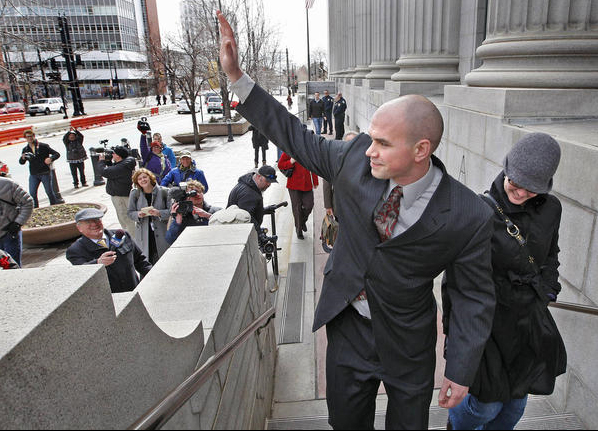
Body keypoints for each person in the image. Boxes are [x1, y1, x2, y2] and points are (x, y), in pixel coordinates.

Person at [217, 11, 496, 429]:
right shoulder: (353, 159)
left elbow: (474, 296)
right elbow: (293, 133)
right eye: (371, 138)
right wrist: (237, 77)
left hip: (409, 342)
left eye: (383, 143)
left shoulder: (469, 215)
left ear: (421, 150)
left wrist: (460, 367)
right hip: (347, 329)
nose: (370, 150)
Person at [443, 133, 567, 430]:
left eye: (532, 188)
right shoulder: (478, 211)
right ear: (506, 168)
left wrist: (548, 289)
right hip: (487, 326)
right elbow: (455, 282)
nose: (521, 192)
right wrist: (454, 337)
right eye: (515, 182)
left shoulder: (552, 209)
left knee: (515, 407)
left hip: (528, 323)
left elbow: (551, 254)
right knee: (485, 406)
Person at [66, 208, 152, 293]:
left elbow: (140, 261)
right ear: (79, 228)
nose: (94, 224)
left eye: (96, 219)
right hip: (108, 299)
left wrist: (154, 275)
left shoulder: (121, 235)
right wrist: (98, 263)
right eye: (88, 222)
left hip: (134, 292)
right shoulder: (75, 250)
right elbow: (81, 274)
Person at [127, 168, 171, 265]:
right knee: (147, 261)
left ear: (150, 177)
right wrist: (138, 214)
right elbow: (130, 212)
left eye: (144, 177)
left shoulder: (164, 191)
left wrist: (159, 213)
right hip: (144, 234)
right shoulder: (135, 193)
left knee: (164, 260)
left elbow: (172, 212)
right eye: (139, 179)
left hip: (162, 232)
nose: (143, 180)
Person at [278, 152, 318, 239]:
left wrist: (315, 181)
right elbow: (280, 165)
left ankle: (302, 221)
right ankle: (298, 230)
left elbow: (313, 167)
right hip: (293, 185)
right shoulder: (289, 149)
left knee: (309, 205)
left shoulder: (309, 149)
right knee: (297, 208)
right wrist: (291, 162)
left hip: (307, 184)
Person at [98, 145, 137, 235]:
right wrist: (109, 162)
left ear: (119, 156)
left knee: (125, 218)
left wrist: (101, 162)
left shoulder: (122, 166)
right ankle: (131, 235)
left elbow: (105, 172)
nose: (112, 155)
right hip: (123, 194)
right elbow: (114, 170)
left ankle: (132, 239)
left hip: (121, 196)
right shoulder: (126, 162)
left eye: (113, 153)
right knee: (125, 218)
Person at [227, 165, 278, 231]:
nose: (269, 184)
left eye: (270, 182)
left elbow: (249, 209)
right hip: (239, 231)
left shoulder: (250, 184)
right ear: (258, 176)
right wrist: (259, 233)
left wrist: (262, 210)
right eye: (267, 181)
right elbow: (247, 218)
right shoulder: (248, 193)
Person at [18, 129, 61, 208]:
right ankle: (36, 209)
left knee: (49, 192)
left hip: (45, 173)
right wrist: (23, 158)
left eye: (31, 136)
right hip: (34, 174)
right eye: (28, 137)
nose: (30, 138)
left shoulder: (43, 146)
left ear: (34, 136)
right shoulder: (25, 149)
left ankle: (54, 206)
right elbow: (21, 162)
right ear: (25, 138)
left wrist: (51, 159)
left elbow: (57, 154)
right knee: (32, 193)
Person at [322, 131, 358, 220]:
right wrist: (328, 206)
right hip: (339, 207)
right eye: (348, 143)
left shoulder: (364, 160)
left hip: (359, 209)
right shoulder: (334, 161)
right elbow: (327, 185)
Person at [0, 176, 33, 267]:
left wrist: (17, 223)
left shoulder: (7, 184)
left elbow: (27, 202)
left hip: (9, 234)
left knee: (12, 266)